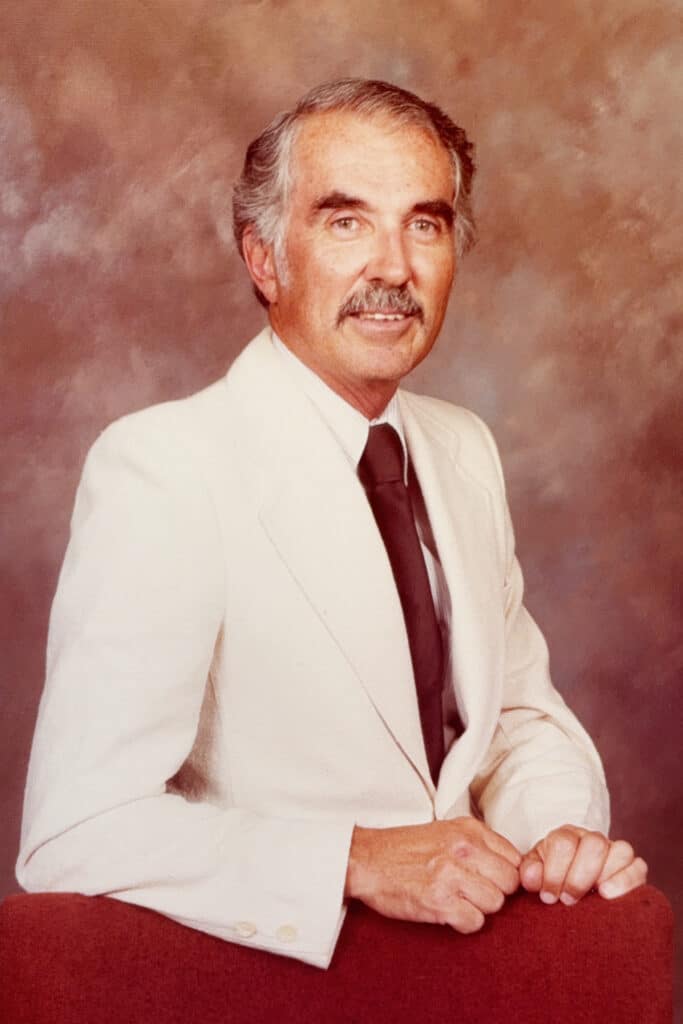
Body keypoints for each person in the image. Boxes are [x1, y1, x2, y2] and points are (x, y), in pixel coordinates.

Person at [17, 78, 647, 968]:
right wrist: (350, 859)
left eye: (423, 223)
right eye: (346, 221)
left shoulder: (461, 449)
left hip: (476, 976)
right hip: (277, 987)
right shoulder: (166, 469)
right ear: (264, 259)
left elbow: (509, 719)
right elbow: (74, 831)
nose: (392, 267)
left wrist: (557, 834)